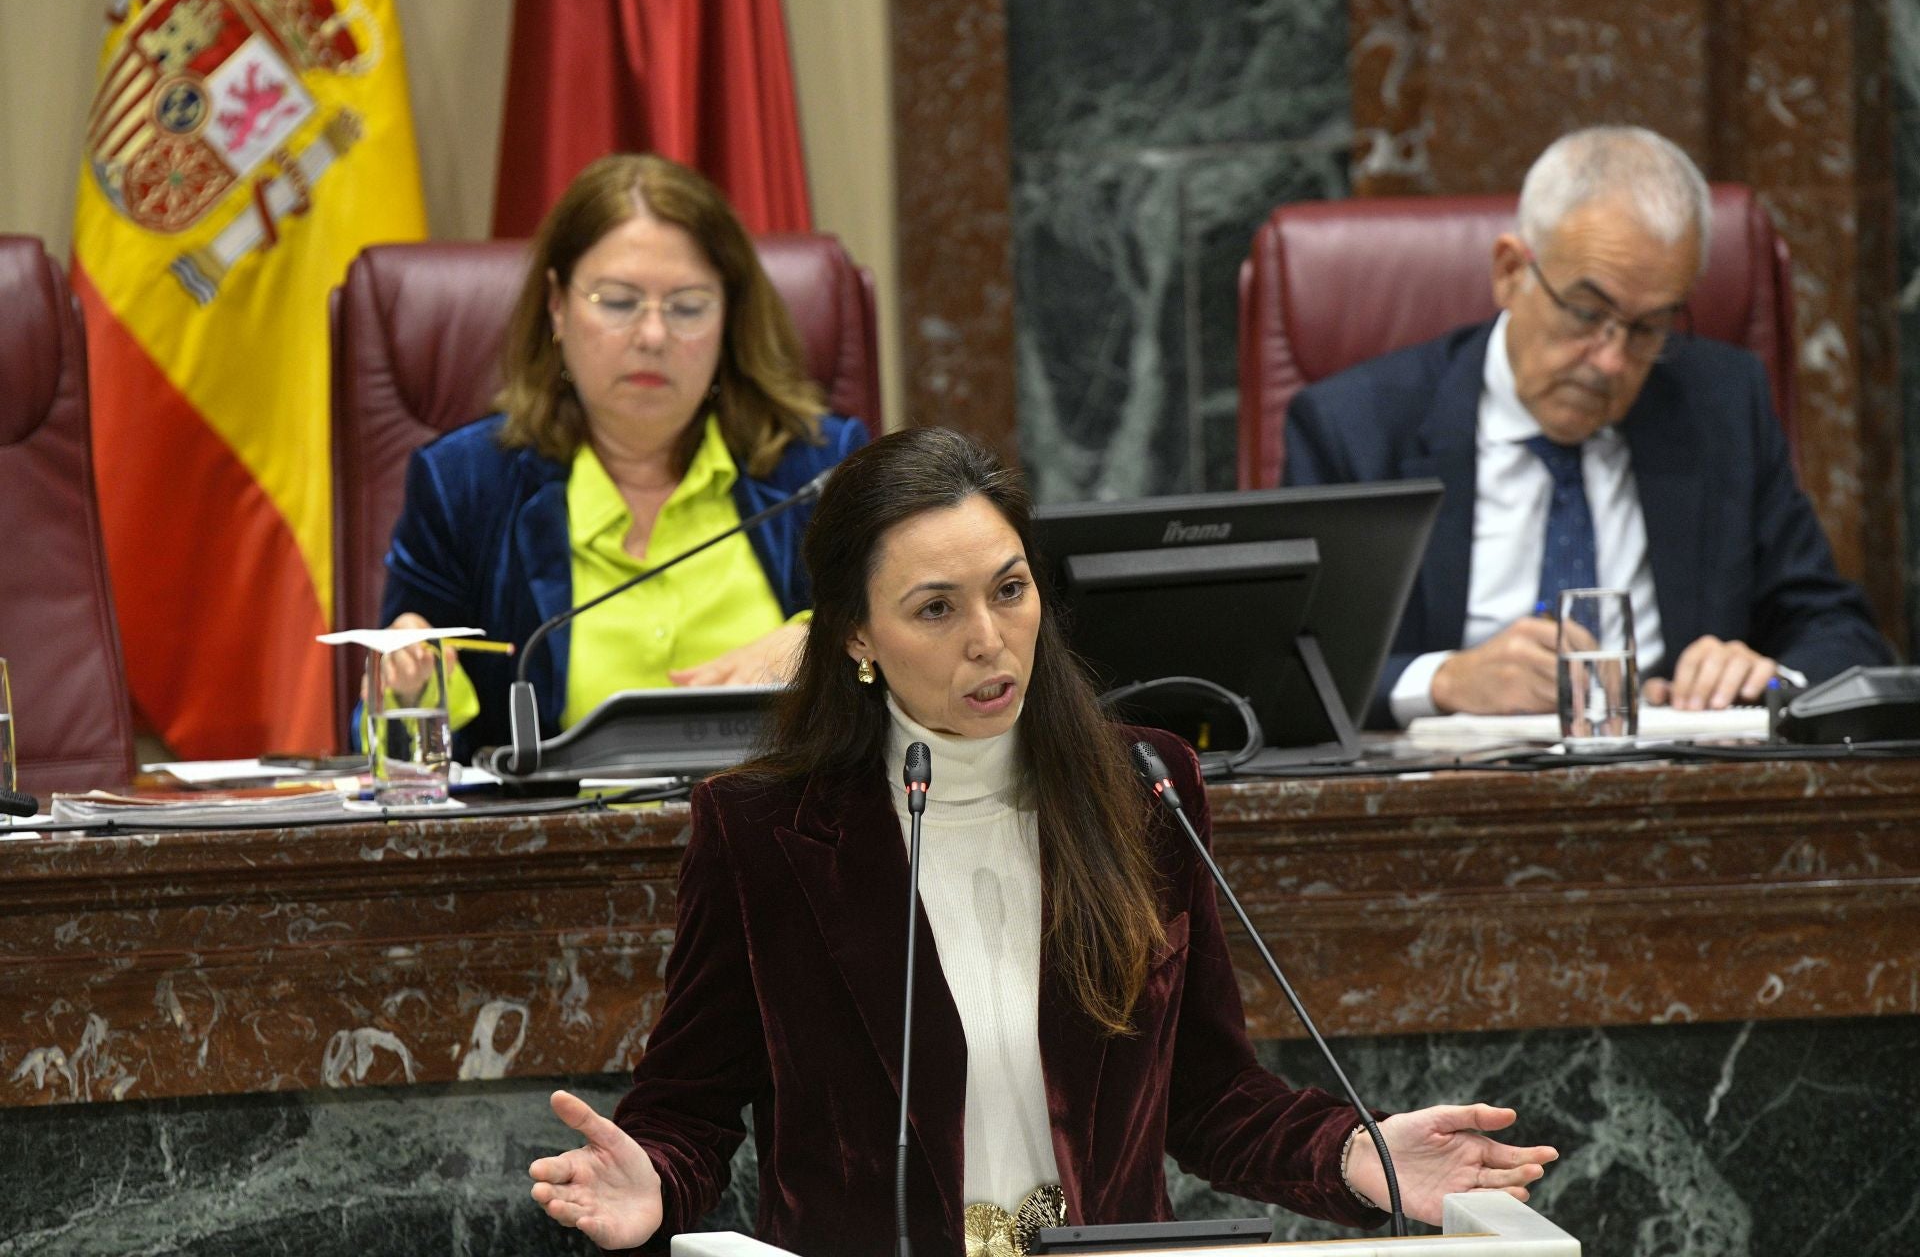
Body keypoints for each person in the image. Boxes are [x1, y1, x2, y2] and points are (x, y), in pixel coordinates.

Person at [527, 427, 1557, 1255]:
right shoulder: (763, 829)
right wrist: (653, 1180)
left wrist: (1355, 1153)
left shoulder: (1144, 786)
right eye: (935, 607)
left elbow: (1207, 1091)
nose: (987, 636)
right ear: (854, 634)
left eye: (1008, 588)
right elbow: (694, 1105)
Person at [1284, 126, 1890, 727]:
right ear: (1510, 272)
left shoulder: (1722, 405)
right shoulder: (1354, 427)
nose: (1610, 361)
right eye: (1586, 313)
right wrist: (1444, 680)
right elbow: (1285, 664)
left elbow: (1838, 630)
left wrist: (1771, 676)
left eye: (1648, 327)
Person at [378, 153, 867, 760]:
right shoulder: (464, 487)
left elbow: (911, 668)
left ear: (728, 317)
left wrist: (815, 642)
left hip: (790, 843)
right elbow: (391, 756)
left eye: (687, 306)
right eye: (617, 302)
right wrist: (410, 688)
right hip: (554, 850)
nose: (654, 336)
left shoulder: (822, 472)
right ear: (558, 306)